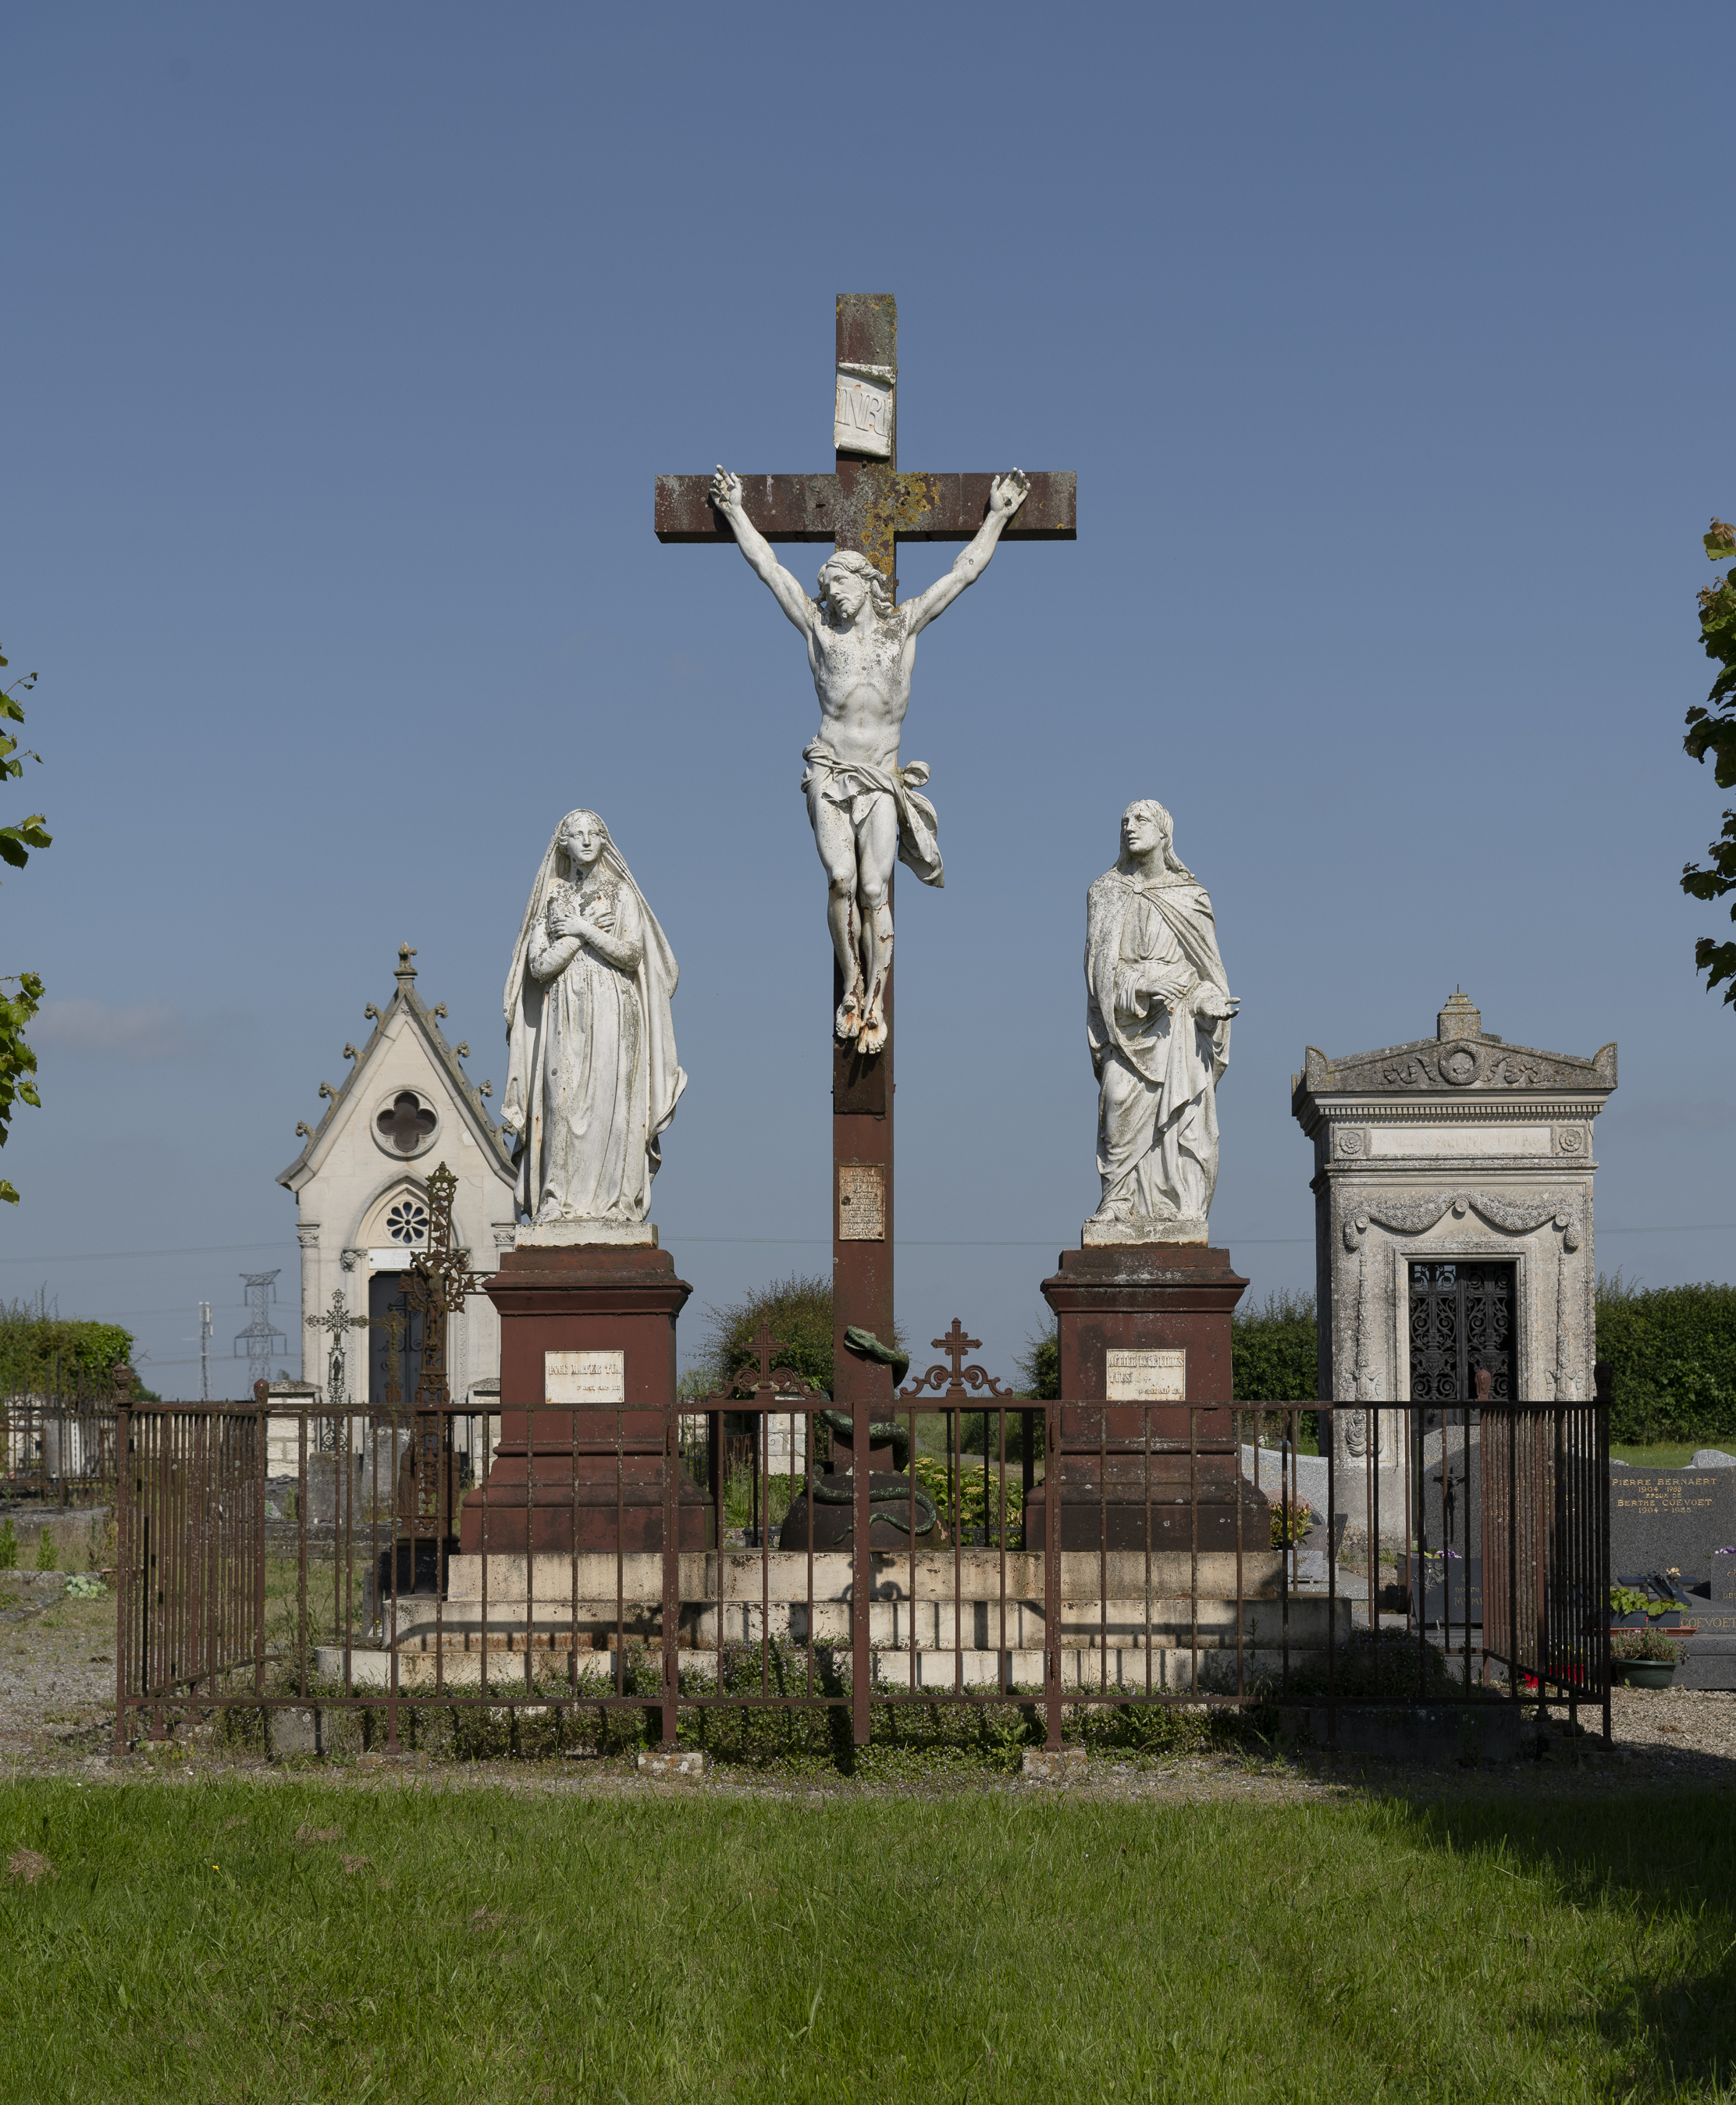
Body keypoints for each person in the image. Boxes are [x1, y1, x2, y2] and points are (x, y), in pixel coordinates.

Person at [707, 464, 1030, 1054]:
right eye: (826, 586)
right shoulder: (818, 631)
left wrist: (998, 517)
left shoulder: (900, 629)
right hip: (830, 772)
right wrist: (734, 512)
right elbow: (769, 569)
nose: (829, 591)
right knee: (840, 878)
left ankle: (874, 996)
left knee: (875, 888)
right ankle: (851, 981)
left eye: (839, 583)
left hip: (880, 776)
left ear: (865, 582)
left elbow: (962, 574)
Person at [501, 809, 684, 1226]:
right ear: (562, 843)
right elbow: (540, 967)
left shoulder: (622, 894)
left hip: (615, 1009)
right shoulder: (551, 896)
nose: (585, 840)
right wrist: (579, 935)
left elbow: (631, 954)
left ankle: (617, 1204)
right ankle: (554, 1198)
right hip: (564, 1009)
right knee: (559, 1100)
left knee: (614, 1104)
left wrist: (580, 929)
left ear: (604, 841)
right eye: (576, 834)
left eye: (593, 833)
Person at [1084, 800, 1239, 1235]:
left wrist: (1209, 1005)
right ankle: (1118, 1203)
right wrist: (1145, 983)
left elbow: (1209, 975)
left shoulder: (1191, 897)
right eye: (1124, 822)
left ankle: (1182, 1206)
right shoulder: (1105, 892)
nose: (1130, 827)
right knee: (1116, 1101)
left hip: (1179, 1029)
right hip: (1128, 1027)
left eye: (1141, 820)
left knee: (1184, 1120)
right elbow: (1099, 975)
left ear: (1164, 833)